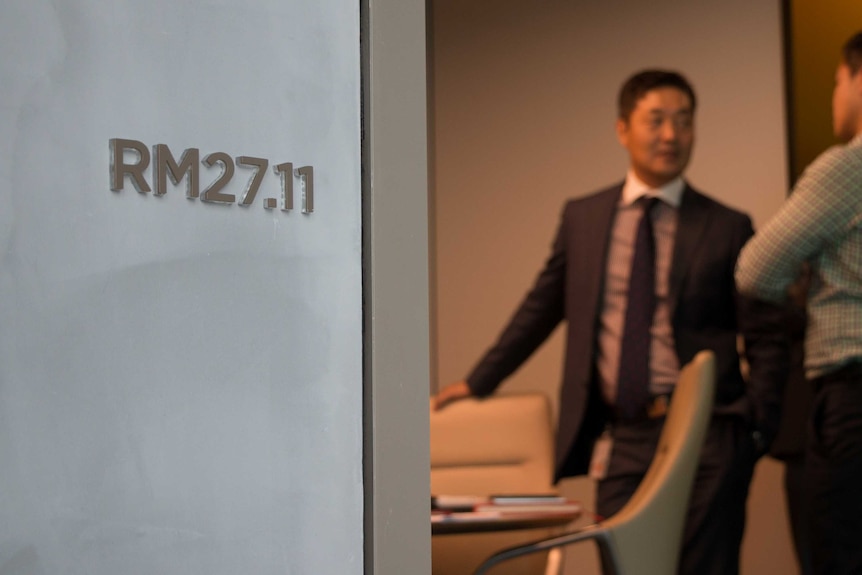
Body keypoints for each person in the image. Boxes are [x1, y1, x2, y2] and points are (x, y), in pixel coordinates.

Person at [434, 69, 788, 575]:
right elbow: (540, 307)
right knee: (625, 565)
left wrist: (755, 429)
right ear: (623, 128)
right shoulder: (585, 218)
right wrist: (478, 380)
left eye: (684, 122)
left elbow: (766, 335)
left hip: (709, 433)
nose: (671, 135)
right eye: (656, 120)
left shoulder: (727, 225)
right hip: (623, 436)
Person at [735, 31, 862, 575]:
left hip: (854, 396)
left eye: (837, 81)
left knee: (843, 554)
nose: (835, 95)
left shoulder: (846, 169)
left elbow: (756, 270)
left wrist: (805, 284)